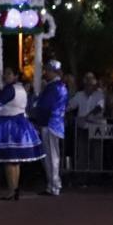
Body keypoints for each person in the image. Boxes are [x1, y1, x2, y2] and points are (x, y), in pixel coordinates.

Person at [0, 67, 44, 200]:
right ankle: (14, 188)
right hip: (20, 123)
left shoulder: (10, 89)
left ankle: (12, 190)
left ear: (16, 76)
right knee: (15, 160)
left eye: (9, 73)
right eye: (5, 73)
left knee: (9, 159)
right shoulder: (22, 89)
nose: (6, 75)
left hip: (9, 124)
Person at [30, 60, 69, 196]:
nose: (45, 73)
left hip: (50, 124)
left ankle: (54, 185)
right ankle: (52, 184)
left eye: (48, 70)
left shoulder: (55, 87)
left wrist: (34, 106)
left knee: (51, 156)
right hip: (51, 124)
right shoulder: (56, 86)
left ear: (54, 72)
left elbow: (44, 105)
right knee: (51, 156)